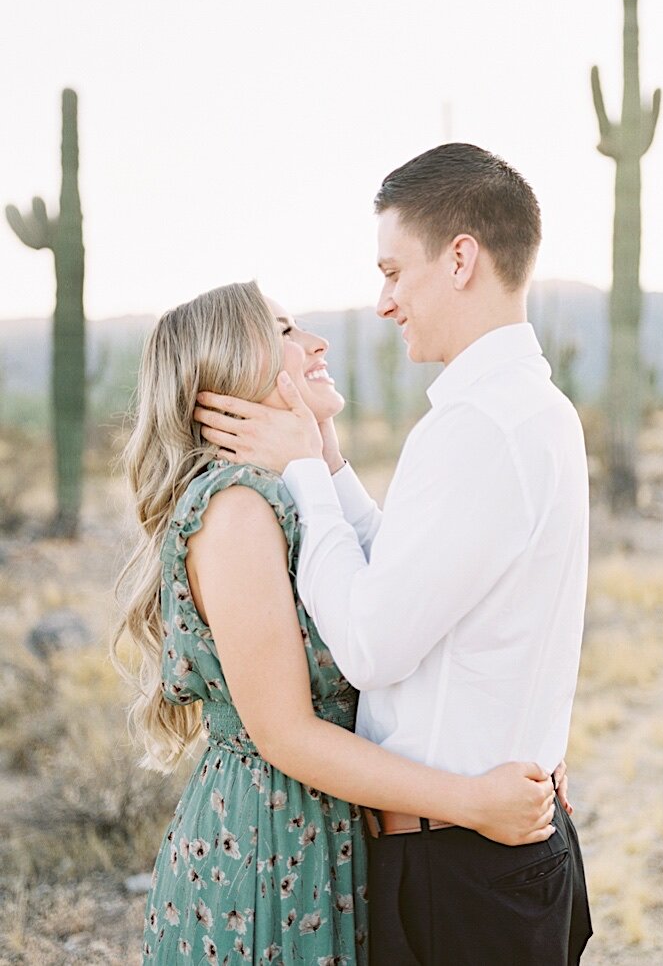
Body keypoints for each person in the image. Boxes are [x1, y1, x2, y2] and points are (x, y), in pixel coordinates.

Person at [193, 144, 593, 965]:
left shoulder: (476, 428)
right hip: (491, 850)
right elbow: (412, 576)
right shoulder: (529, 410)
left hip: (458, 867)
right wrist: (331, 463)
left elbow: (371, 641)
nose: (382, 302)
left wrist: (302, 468)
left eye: (392, 271)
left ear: (459, 259)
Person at [114, 282, 561, 964]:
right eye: (287, 332)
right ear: (231, 368)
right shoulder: (236, 512)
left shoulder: (284, 492)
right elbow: (287, 734)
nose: (317, 344)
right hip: (266, 850)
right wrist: (472, 802)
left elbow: (399, 604)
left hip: (323, 829)